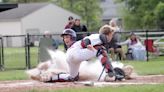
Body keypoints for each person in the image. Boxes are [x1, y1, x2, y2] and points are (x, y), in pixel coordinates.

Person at [35, 25, 125, 82]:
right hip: (75, 53)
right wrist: (88, 45)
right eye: (111, 35)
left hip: (70, 56)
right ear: (108, 34)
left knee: (73, 77)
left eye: (67, 37)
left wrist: (89, 46)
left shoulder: (75, 44)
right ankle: (111, 74)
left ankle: (50, 78)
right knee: (100, 49)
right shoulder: (99, 36)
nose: (111, 37)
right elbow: (86, 40)